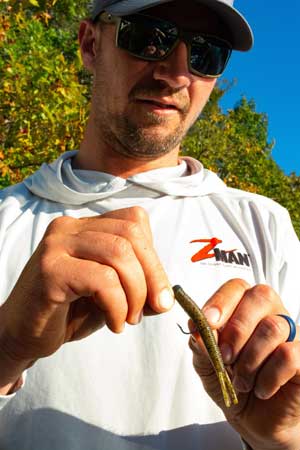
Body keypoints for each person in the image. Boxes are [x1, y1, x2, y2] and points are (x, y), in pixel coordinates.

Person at [0, 0, 299, 449]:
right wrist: (5, 351)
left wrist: (283, 439)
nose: (176, 74)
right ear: (89, 43)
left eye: (206, 52)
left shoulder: (266, 224)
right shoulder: (7, 218)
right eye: (149, 36)